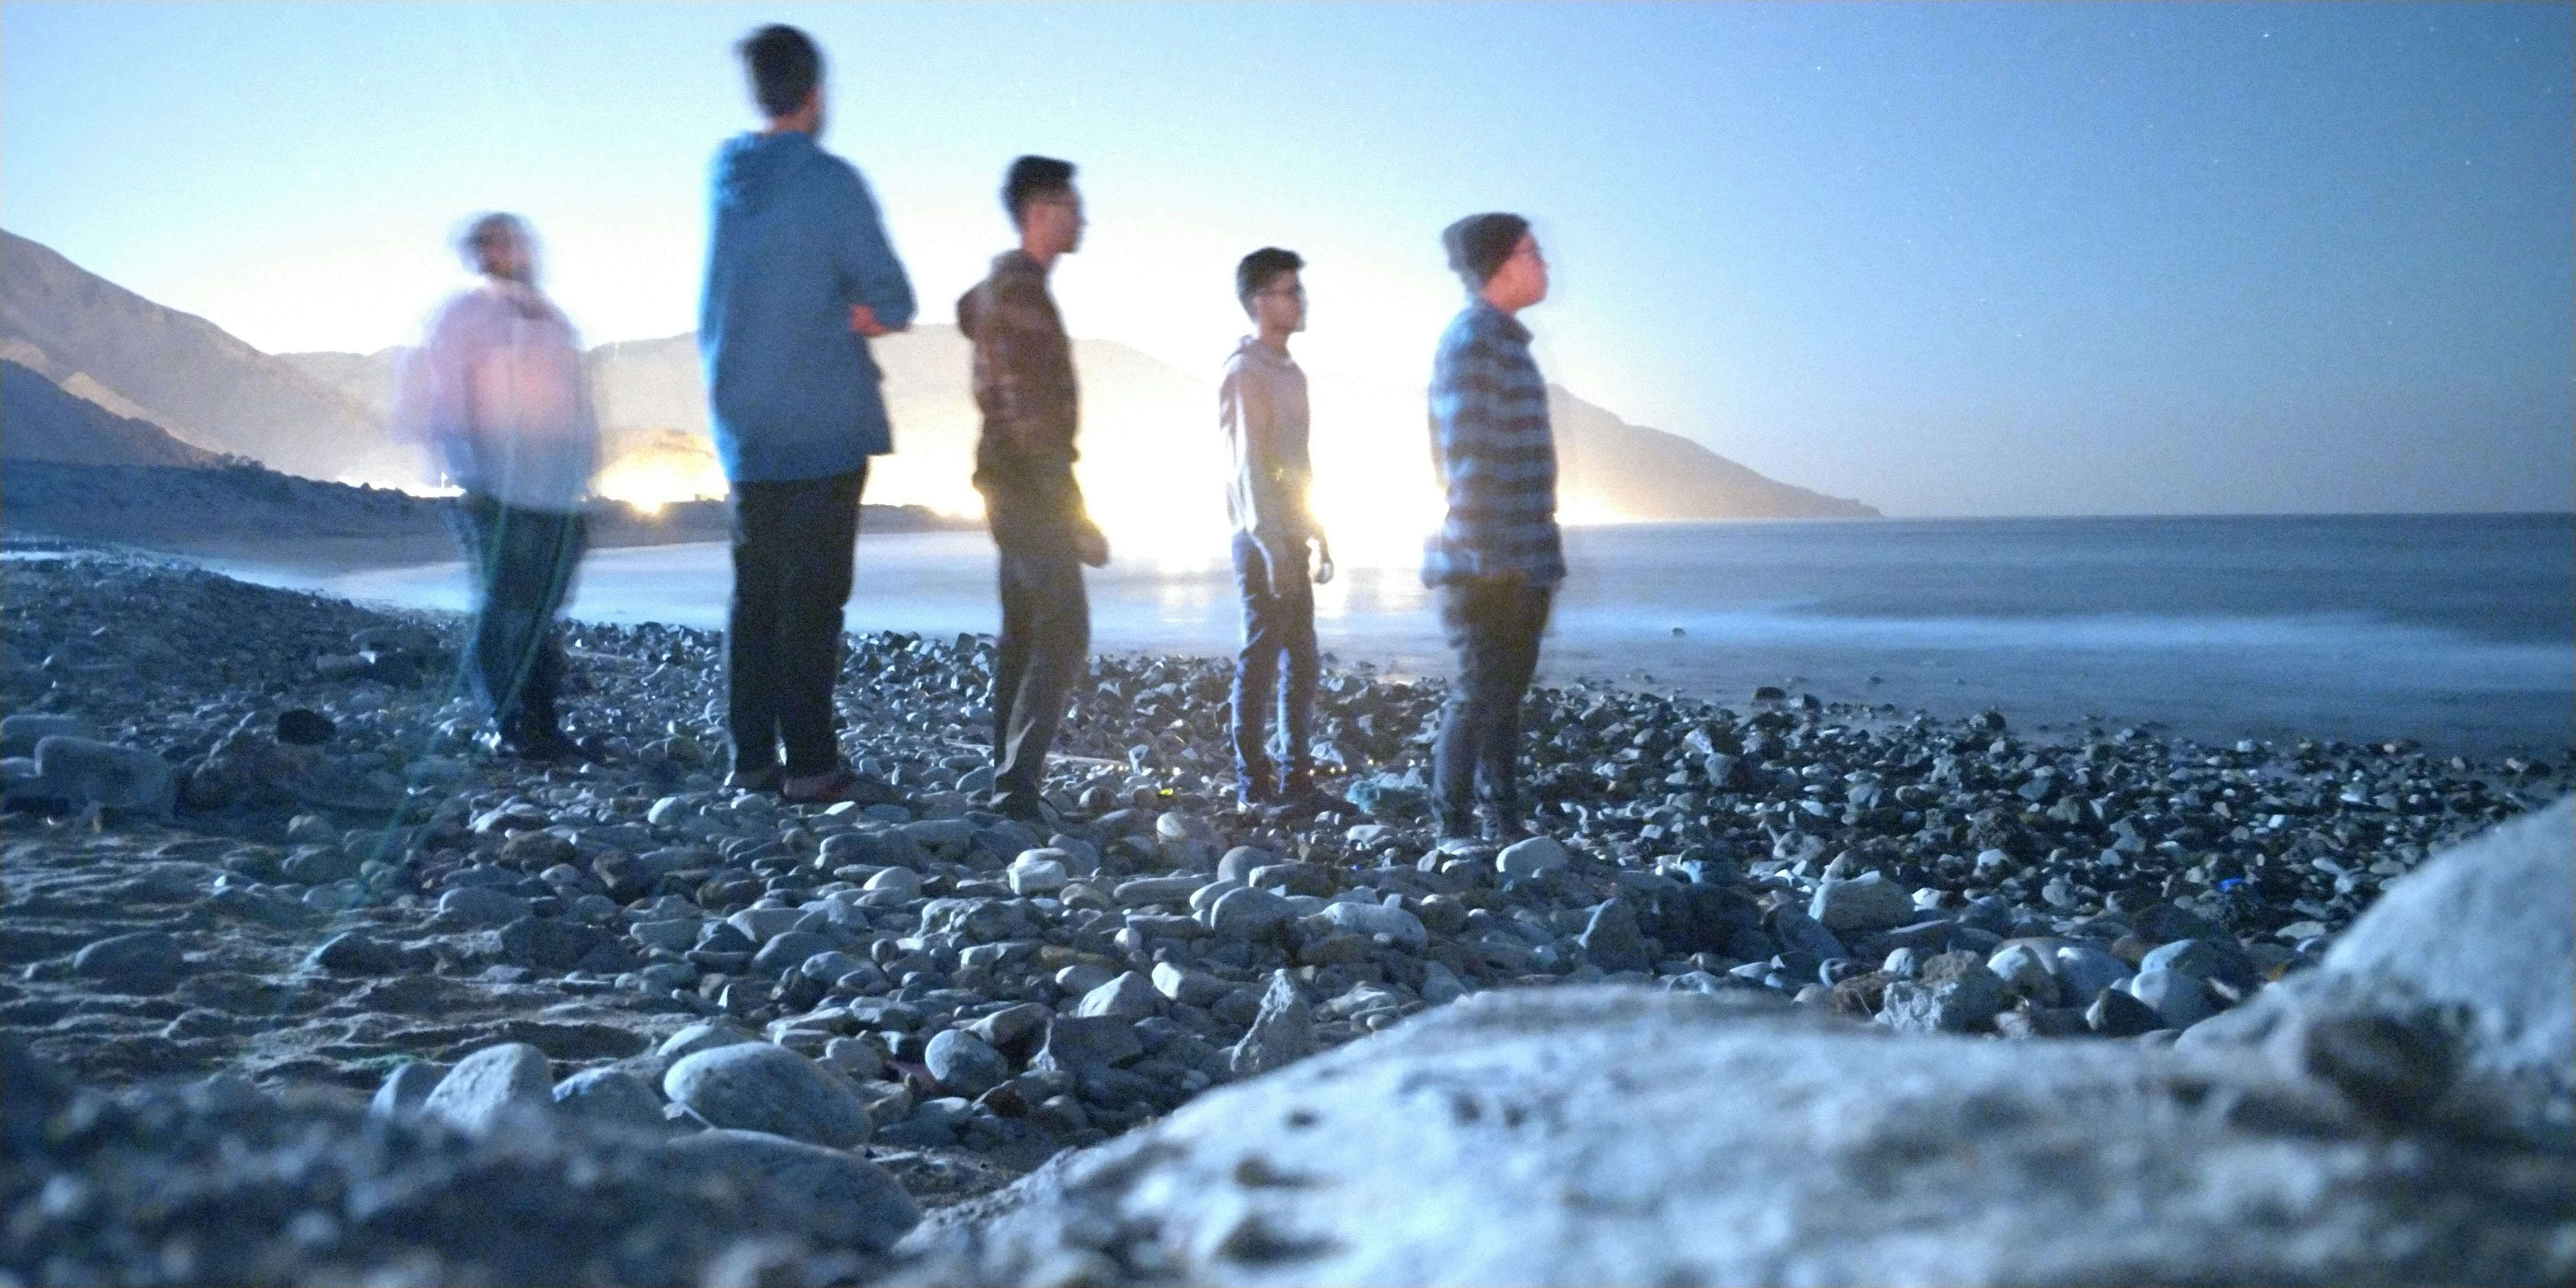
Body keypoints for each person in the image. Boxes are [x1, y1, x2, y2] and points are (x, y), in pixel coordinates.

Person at [699, 23, 916, 804]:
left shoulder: (725, 176)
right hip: (822, 420)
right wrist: (851, 313)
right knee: (813, 602)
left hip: (744, 423)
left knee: (754, 598)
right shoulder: (830, 184)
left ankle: (751, 761)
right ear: (816, 95)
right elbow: (892, 298)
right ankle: (814, 767)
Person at [391, 213, 598, 762]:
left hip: (557, 492)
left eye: (517, 243)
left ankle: (541, 721)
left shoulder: (553, 319)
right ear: (480, 253)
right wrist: (470, 478)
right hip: (499, 492)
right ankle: (505, 724)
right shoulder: (464, 316)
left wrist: (585, 473)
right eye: (498, 244)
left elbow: (577, 399)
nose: (513, 253)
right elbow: (446, 399)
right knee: (505, 608)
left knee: (544, 612)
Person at [958, 155, 1109, 825]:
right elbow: (1027, 411)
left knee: (1023, 632)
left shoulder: (1009, 291)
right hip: (1026, 482)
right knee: (1064, 627)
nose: (1083, 217)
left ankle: (1007, 783)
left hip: (1007, 479)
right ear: (1041, 211)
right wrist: (1070, 507)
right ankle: (1015, 788)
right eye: (1072, 204)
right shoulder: (1018, 294)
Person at [1423, 213, 1564, 842]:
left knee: (1501, 699)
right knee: (1481, 695)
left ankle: (1503, 823)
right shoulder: (1475, 340)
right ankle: (1451, 830)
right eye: (1533, 252)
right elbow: (1467, 451)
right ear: (1501, 265)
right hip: (1488, 561)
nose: (1546, 263)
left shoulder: (1501, 340)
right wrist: (1492, 551)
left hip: (1520, 555)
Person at [1220, 247, 1336, 812]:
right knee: (1262, 659)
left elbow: (1300, 463)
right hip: (1260, 538)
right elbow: (1248, 466)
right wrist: (1270, 546)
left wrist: (1317, 531)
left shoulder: (1293, 374)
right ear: (1258, 302)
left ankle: (1297, 781)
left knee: (1303, 661)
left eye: (1299, 290)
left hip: (1291, 533)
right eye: (1289, 291)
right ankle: (1252, 788)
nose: (1300, 300)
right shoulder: (1245, 372)